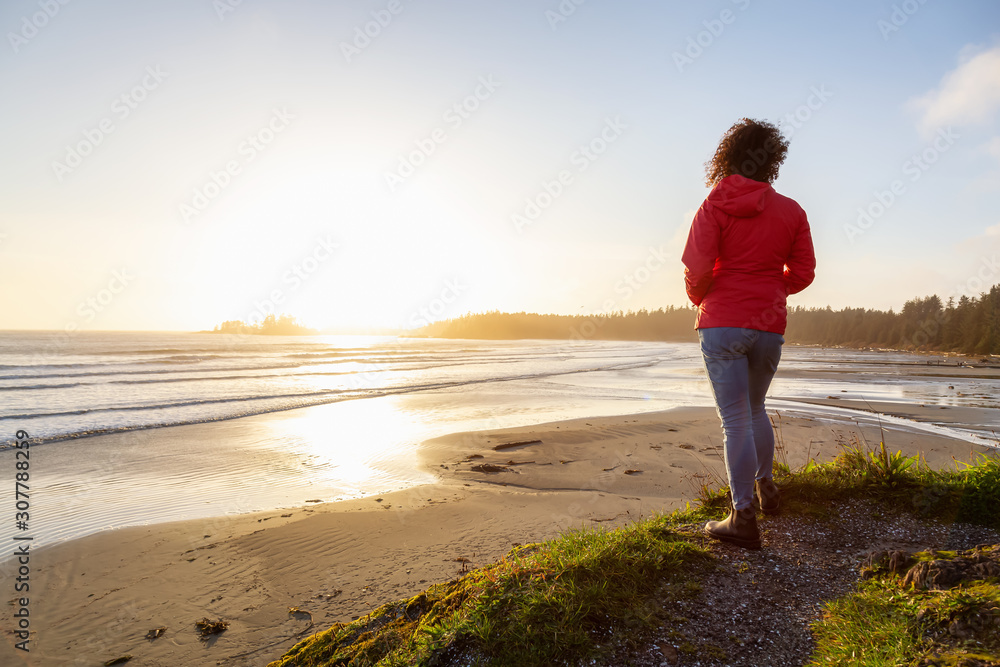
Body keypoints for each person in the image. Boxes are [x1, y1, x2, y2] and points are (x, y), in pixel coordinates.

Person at [681, 118, 816, 550]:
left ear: (728, 156)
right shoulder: (792, 211)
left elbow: (697, 269)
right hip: (768, 324)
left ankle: (742, 517)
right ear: (772, 160)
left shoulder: (714, 205)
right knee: (756, 408)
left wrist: (703, 297)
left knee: (735, 418)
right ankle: (767, 488)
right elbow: (804, 273)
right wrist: (772, 290)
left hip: (722, 322)